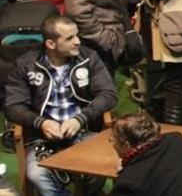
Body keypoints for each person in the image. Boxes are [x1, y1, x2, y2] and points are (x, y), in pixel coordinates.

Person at [5, 14, 116, 196]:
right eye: (70, 38)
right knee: (37, 174)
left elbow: (108, 95)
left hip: (83, 131)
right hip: (43, 137)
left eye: (77, 35)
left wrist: (80, 119)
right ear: (51, 44)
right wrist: (42, 123)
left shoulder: (88, 58)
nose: (78, 42)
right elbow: (13, 106)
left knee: (99, 169)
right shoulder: (25, 64)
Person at [110, 112, 182, 196]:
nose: (111, 142)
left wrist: (124, 172)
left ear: (126, 145)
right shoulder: (176, 140)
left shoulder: (128, 182)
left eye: (113, 139)